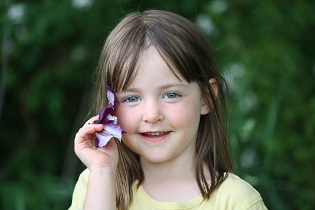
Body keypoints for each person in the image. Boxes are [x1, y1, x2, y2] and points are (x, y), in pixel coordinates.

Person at [69, 10, 267, 210]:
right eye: (132, 98)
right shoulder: (97, 184)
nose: (152, 115)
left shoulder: (238, 201)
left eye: (171, 95)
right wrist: (102, 171)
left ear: (206, 99)